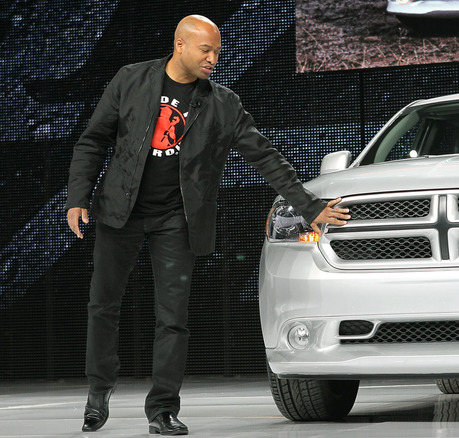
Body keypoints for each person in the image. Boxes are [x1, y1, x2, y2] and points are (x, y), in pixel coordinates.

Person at [65, 15, 349, 435]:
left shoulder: (222, 103)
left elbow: (265, 156)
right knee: (102, 305)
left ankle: (162, 409)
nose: (214, 58)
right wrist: (77, 198)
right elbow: (93, 139)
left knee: (173, 317)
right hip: (119, 211)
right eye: (206, 50)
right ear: (180, 45)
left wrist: (308, 206)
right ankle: (98, 392)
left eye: (217, 50)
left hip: (177, 219)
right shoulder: (131, 79)